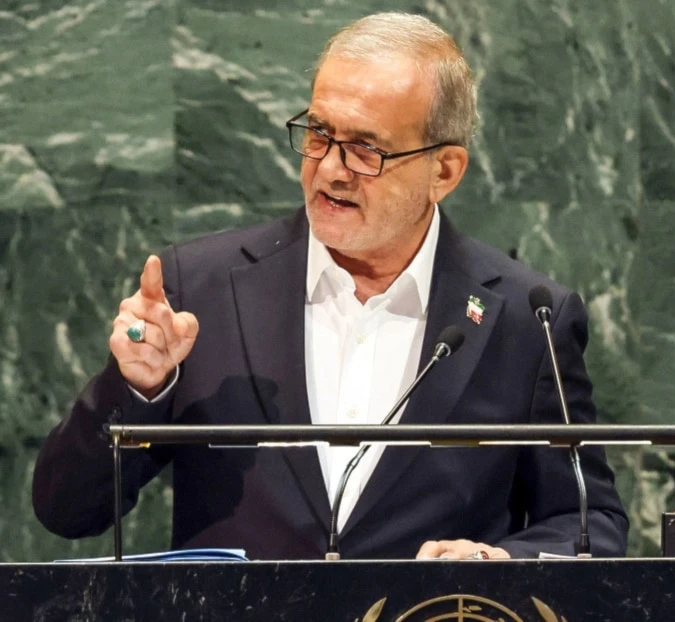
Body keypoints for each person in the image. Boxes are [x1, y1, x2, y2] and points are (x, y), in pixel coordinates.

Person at [32, 12, 628, 560]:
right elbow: (67, 510)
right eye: (319, 133)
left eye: (366, 148)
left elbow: (589, 522)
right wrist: (136, 388)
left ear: (443, 170)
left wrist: (500, 563)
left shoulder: (526, 318)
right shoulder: (202, 289)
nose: (331, 167)